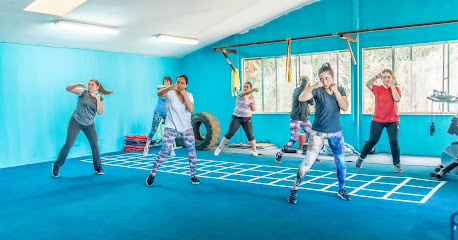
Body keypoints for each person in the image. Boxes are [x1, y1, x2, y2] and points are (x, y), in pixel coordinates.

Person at [287, 63, 351, 203]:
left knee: (340, 162)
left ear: (333, 77)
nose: (325, 82)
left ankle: (342, 189)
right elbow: (301, 98)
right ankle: (294, 189)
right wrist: (314, 86)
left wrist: (337, 92)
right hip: (318, 132)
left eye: (327, 78)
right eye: (322, 79)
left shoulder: (340, 89)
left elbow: (345, 107)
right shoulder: (318, 90)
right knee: (308, 161)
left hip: (336, 133)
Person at [52, 79, 113, 177]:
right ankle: (56, 166)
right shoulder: (82, 92)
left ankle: (99, 168)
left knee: (95, 146)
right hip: (76, 121)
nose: (89, 86)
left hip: (89, 124)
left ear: (97, 87)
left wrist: (97, 99)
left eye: (92, 85)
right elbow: (68, 88)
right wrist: (79, 84)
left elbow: (100, 112)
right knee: (68, 144)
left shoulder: (100, 99)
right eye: (89, 84)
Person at [146, 75, 200, 186]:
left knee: (192, 151)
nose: (179, 85)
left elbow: (191, 109)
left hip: (186, 126)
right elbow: (159, 93)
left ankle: (193, 176)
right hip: (171, 125)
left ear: (186, 85)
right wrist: (170, 87)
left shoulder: (189, 95)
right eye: (178, 82)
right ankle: (152, 173)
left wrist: (185, 95)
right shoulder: (170, 93)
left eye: (182, 83)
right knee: (165, 150)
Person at [356, 69, 402, 172]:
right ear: (381, 79)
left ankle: (397, 164)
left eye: (389, 77)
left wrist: (392, 86)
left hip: (393, 120)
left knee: (393, 142)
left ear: (392, 78)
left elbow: (397, 99)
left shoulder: (396, 89)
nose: (386, 79)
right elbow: (368, 84)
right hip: (378, 120)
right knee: (372, 141)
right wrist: (376, 77)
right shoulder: (377, 89)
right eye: (384, 77)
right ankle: (361, 157)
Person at [275, 76, 314, 163]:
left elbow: (312, 102)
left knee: (312, 136)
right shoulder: (296, 91)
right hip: (295, 118)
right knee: (294, 138)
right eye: (304, 83)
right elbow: (301, 88)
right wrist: (305, 82)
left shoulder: (306, 93)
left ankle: (312, 156)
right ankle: (279, 154)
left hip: (304, 119)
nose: (305, 84)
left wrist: (309, 92)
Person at [214, 82, 259, 157]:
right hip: (237, 117)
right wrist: (254, 89)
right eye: (244, 86)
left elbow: (253, 109)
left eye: (247, 87)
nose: (245, 88)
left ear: (250, 87)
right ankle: (219, 148)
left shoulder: (252, 97)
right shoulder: (240, 93)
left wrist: (253, 106)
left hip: (247, 118)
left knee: (250, 135)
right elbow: (245, 93)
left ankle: (254, 151)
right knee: (230, 134)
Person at [143, 76, 176, 157]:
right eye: (165, 81)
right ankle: (146, 148)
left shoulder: (172, 91)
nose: (166, 82)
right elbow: (158, 87)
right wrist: (168, 86)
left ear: (170, 82)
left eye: (168, 81)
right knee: (153, 130)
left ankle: (172, 149)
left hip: (167, 114)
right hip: (158, 112)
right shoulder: (161, 90)